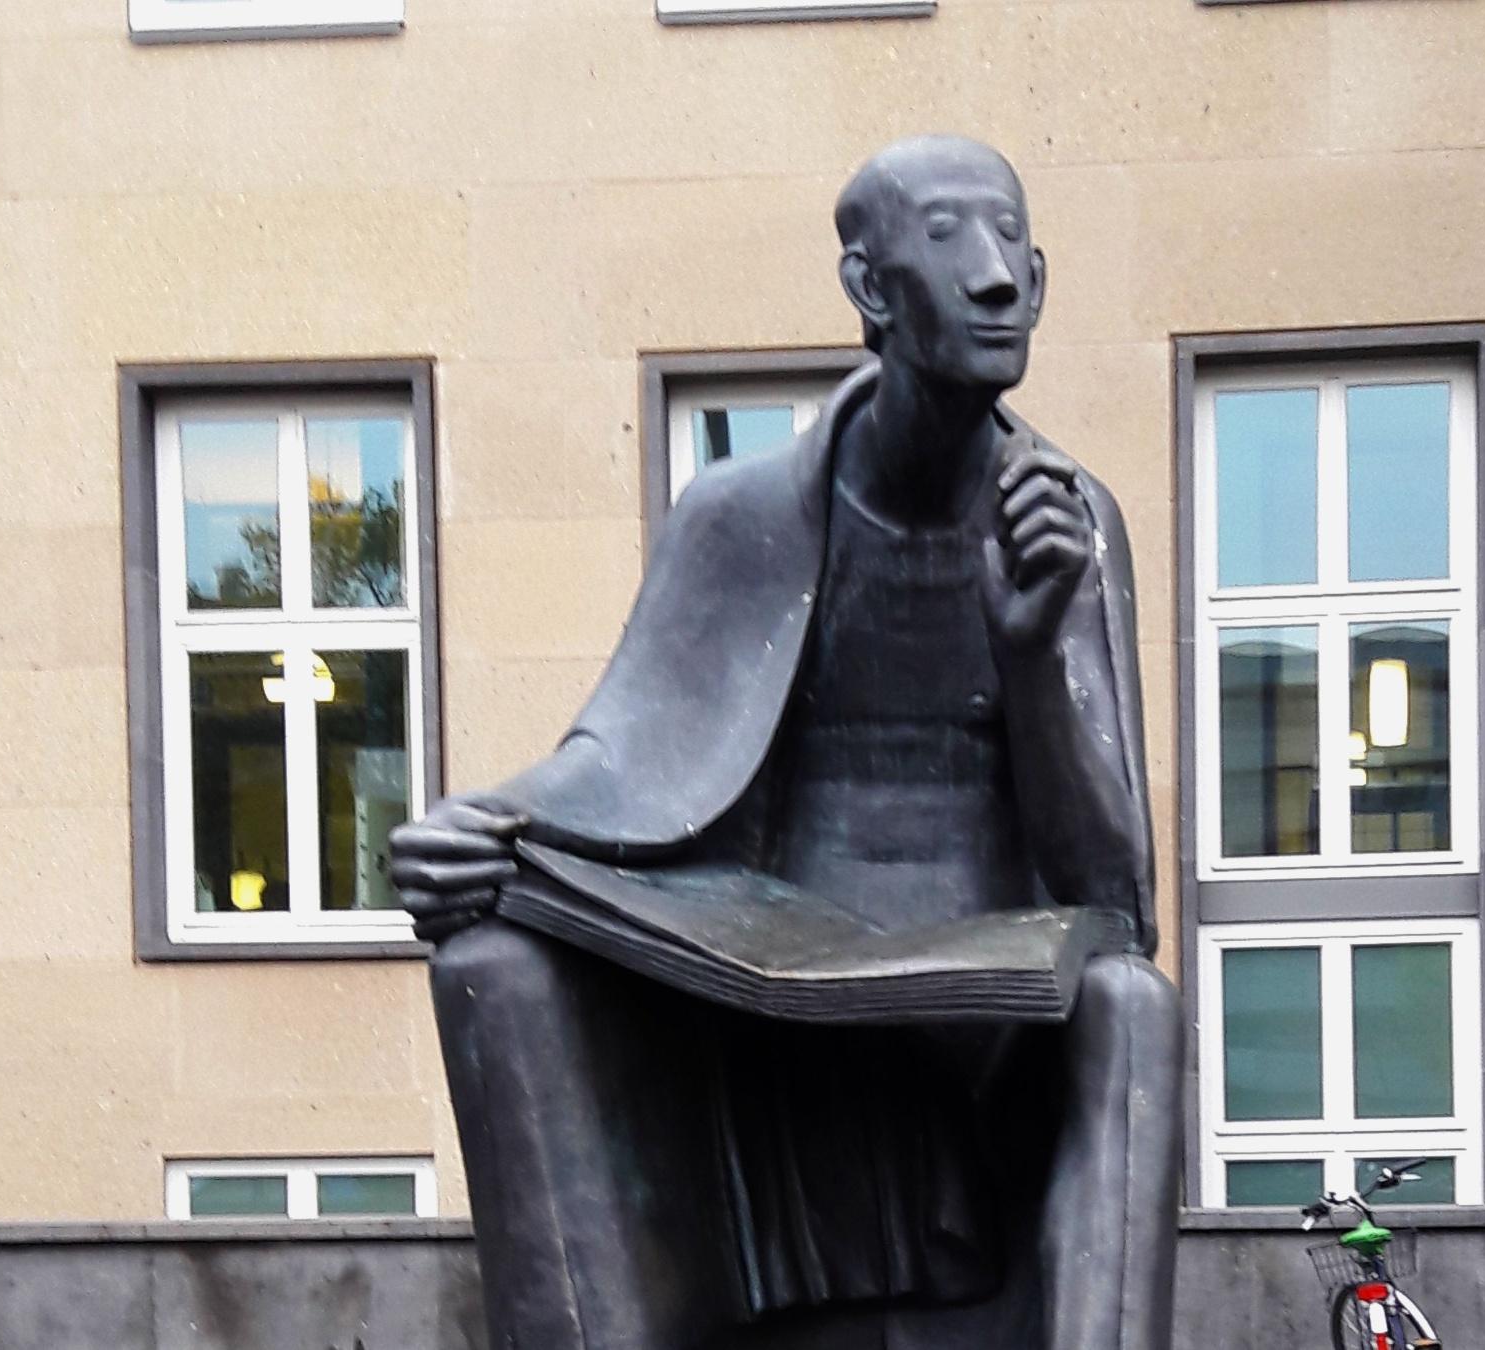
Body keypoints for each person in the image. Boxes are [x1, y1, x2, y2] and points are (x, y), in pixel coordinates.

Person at [392, 135, 1181, 1350]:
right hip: (757, 1018)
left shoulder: (1065, 523)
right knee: (494, 960)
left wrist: (1030, 653)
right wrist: (486, 829)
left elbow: (1116, 897)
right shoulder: (739, 514)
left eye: (1011, 241)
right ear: (869, 290)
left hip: (985, 1034)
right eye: (946, 239)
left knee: (1129, 1005)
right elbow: (620, 764)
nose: (993, 277)